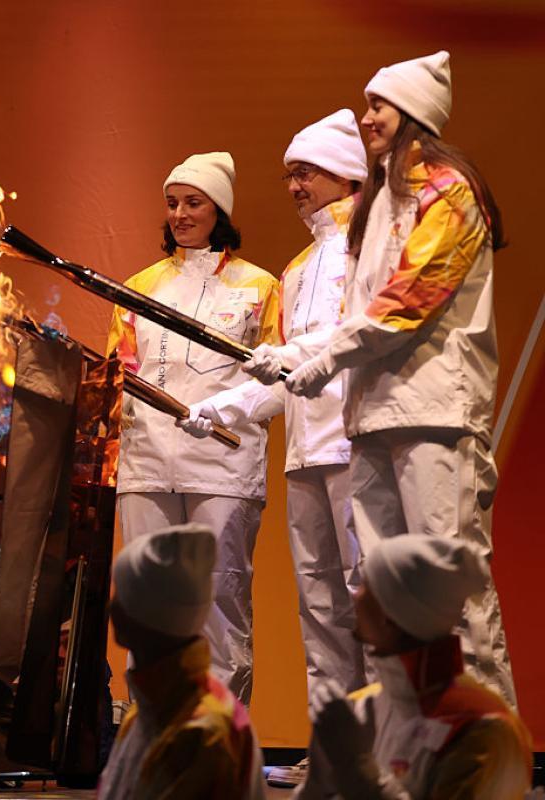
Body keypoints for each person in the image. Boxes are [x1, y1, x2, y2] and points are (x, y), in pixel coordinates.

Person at [270, 51, 517, 706]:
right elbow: (357, 314)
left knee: (450, 592)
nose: (365, 117)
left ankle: (485, 745)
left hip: (435, 415)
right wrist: (296, 354)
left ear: (412, 113)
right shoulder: (377, 204)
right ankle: (407, 741)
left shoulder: (449, 191)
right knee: (388, 602)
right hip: (372, 418)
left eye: (377, 105)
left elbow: (408, 303)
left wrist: (324, 359)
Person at [178, 112, 370, 787]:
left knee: (369, 602)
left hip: (359, 447)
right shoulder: (296, 268)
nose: (294, 186)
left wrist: (282, 360)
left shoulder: (371, 247)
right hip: (306, 456)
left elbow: (352, 339)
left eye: (307, 173)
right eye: (290, 174)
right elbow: (282, 379)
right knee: (320, 610)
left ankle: (387, 749)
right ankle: (335, 752)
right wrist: (220, 407)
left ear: (347, 173)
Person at [107, 152, 281, 704]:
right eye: (172, 203)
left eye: (193, 203)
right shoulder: (137, 287)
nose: (180, 214)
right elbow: (119, 373)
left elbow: (280, 382)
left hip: (223, 465)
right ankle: (152, 729)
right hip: (146, 463)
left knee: (219, 601)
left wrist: (227, 414)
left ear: (219, 210)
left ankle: (219, 731)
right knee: (148, 603)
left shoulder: (260, 287)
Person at [294, 535, 532, 799]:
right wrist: (318, 783)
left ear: (389, 613)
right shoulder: (363, 708)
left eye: (366, 586)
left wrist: (356, 768)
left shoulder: (487, 728)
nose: (355, 596)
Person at [99, 523, 264, 800]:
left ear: (150, 615)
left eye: (123, 597)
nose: (111, 608)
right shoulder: (149, 710)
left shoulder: (201, 729)